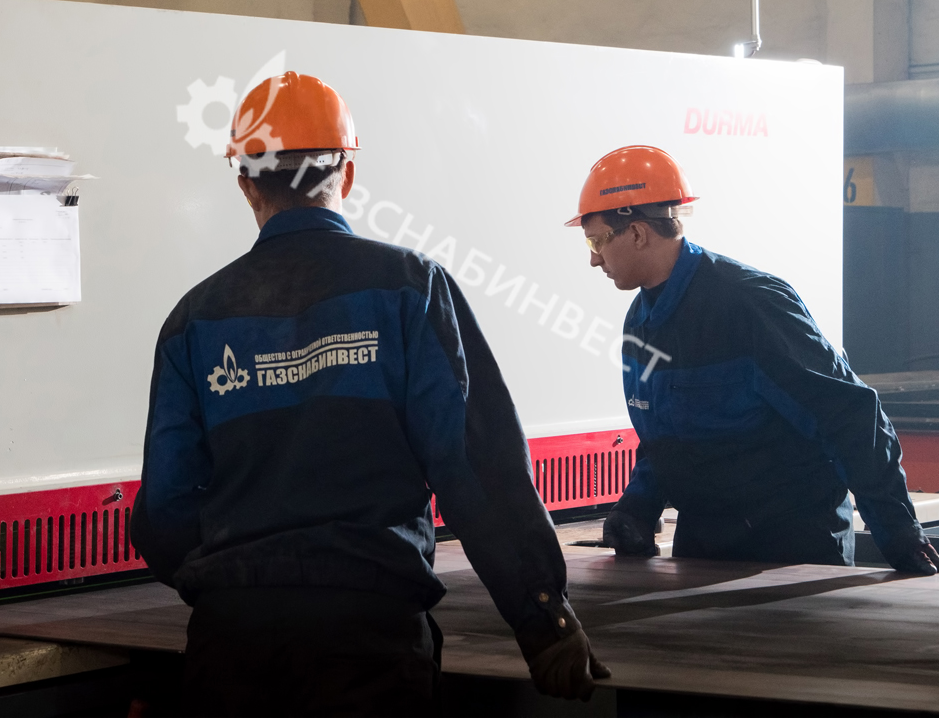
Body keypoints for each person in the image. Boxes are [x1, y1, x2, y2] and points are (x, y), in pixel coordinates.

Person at [131, 72, 607, 717]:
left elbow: (164, 507)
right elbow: (476, 466)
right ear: (347, 174)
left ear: (246, 184)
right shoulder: (410, 289)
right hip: (370, 637)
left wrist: (241, 584)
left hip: (232, 643)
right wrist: (541, 614)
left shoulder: (196, 318)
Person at [566, 145, 939, 575]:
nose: (593, 258)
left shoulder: (750, 305)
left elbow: (850, 418)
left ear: (637, 233)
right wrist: (639, 504)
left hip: (793, 550)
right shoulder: (641, 322)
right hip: (704, 548)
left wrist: (900, 536)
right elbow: (668, 438)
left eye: (596, 241)